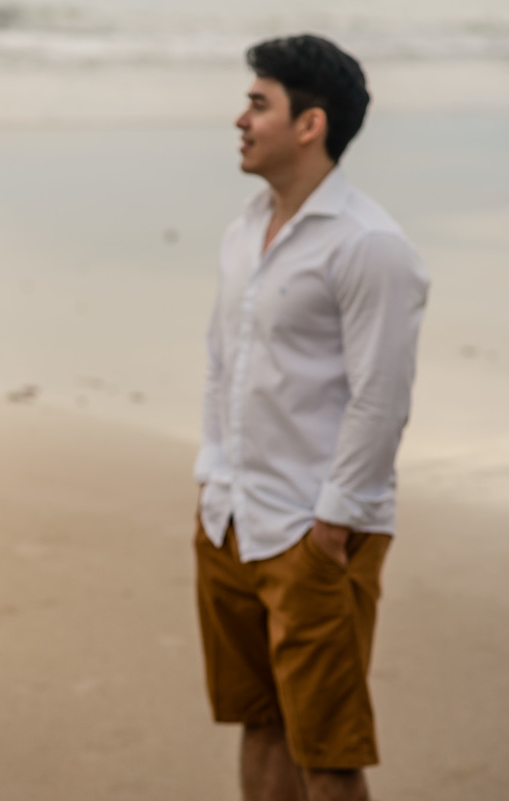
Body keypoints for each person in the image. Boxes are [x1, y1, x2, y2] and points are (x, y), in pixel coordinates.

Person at [193, 35, 429, 801]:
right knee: (261, 721)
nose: (241, 117)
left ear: (309, 124)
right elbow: (220, 364)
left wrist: (332, 521)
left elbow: (381, 396)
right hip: (232, 518)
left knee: (327, 750)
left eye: (259, 103)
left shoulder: (370, 245)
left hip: (316, 529)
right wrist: (212, 478)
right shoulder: (242, 231)